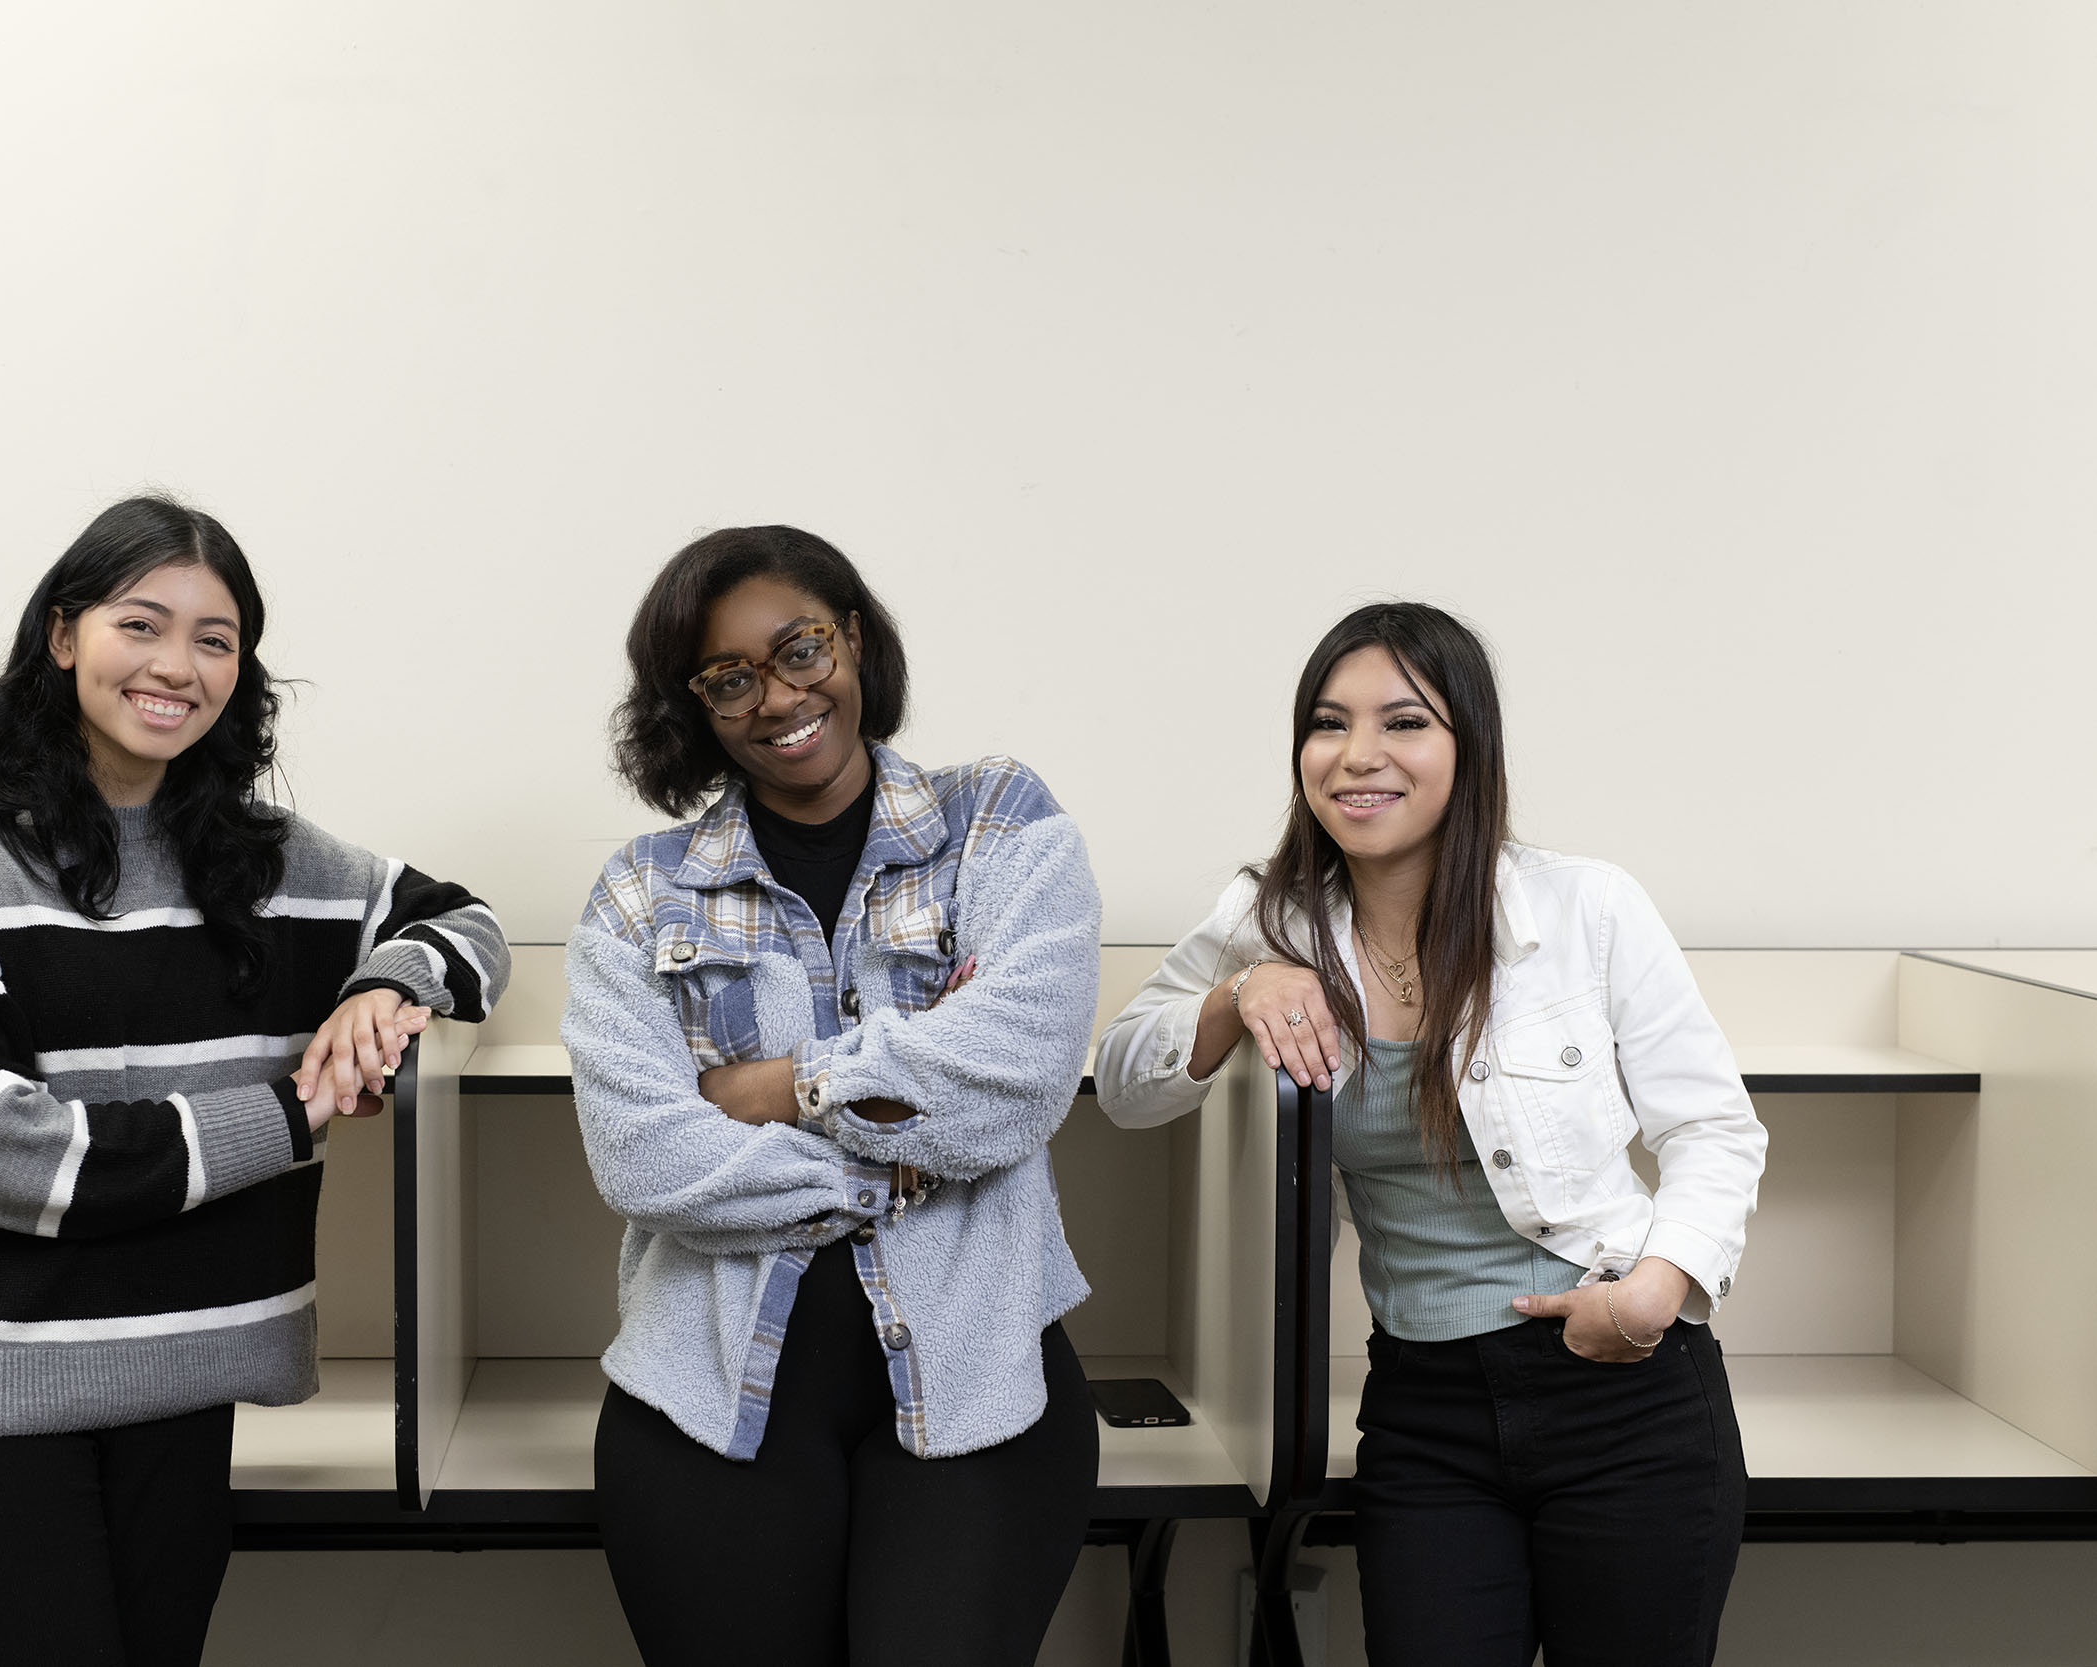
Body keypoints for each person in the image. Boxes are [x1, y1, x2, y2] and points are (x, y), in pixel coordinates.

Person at [0, 496, 508, 1667]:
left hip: (183, 1366)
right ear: (62, 636)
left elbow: (461, 920)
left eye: (214, 638)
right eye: (139, 623)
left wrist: (381, 985)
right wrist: (292, 1111)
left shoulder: (261, 857)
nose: (176, 665)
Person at [1094, 601, 1764, 1667]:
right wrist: (1239, 989)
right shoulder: (1267, 914)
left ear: (1467, 745)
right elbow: (1129, 1084)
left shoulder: (1584, 905)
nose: (1357, 755)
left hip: (1625, 1387)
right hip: (1425, 1407)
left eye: (1403, 722)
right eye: (1327, 722)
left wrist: (1652, 1293)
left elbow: (1714, 1128)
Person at [563, 525, 1102, 1667]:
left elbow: (1017, 1075)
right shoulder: (639, 893)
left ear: (851, 640)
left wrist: (782, 1085)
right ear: (695, 705)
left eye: (800, 648)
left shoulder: (996, 820)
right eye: (729, 678)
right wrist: (907, 1146)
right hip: (707, 1401)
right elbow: (644, 1160)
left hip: (981, 1387)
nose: (778, 696)